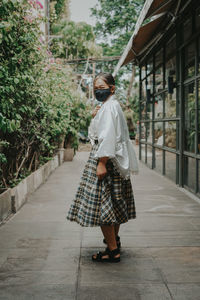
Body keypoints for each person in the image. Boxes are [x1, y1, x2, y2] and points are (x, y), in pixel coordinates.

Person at [66, 72, 139, 263]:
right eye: (95, 88)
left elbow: (106, 137)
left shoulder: (109, 107)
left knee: (102, 207)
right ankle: (114, 242)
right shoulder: (110, 106)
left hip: (106, 159)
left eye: (101, 88)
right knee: (114, 203)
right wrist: (97, 115)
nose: (98, 91)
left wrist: (101, 163)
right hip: (116, 162)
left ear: (112, 88)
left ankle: (112, 250)